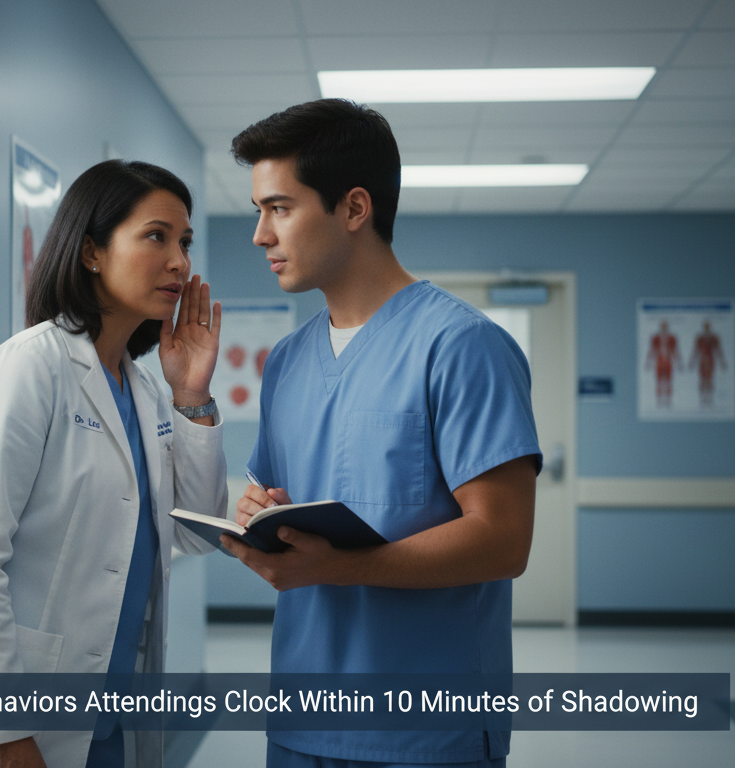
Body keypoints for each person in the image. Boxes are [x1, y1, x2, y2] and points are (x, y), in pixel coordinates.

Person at [220, 99, 541, 768]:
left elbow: (505, 540)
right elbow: (280, 500)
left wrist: (340, 565)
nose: (260, 234)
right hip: (302, 719)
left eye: (279, 208)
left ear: (354, 208)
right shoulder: (286, 363)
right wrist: (258, 516)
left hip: (426, 731)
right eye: (259, 210)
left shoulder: (462, 346)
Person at [0, 160, 228, 768]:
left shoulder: (147, 392)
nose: (179, 261)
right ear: (92, 250)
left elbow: (199, 531)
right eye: (156, 236)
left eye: (185, 242)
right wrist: (6, 731)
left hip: (107, 724)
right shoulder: (30, 368)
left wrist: (192, 393)